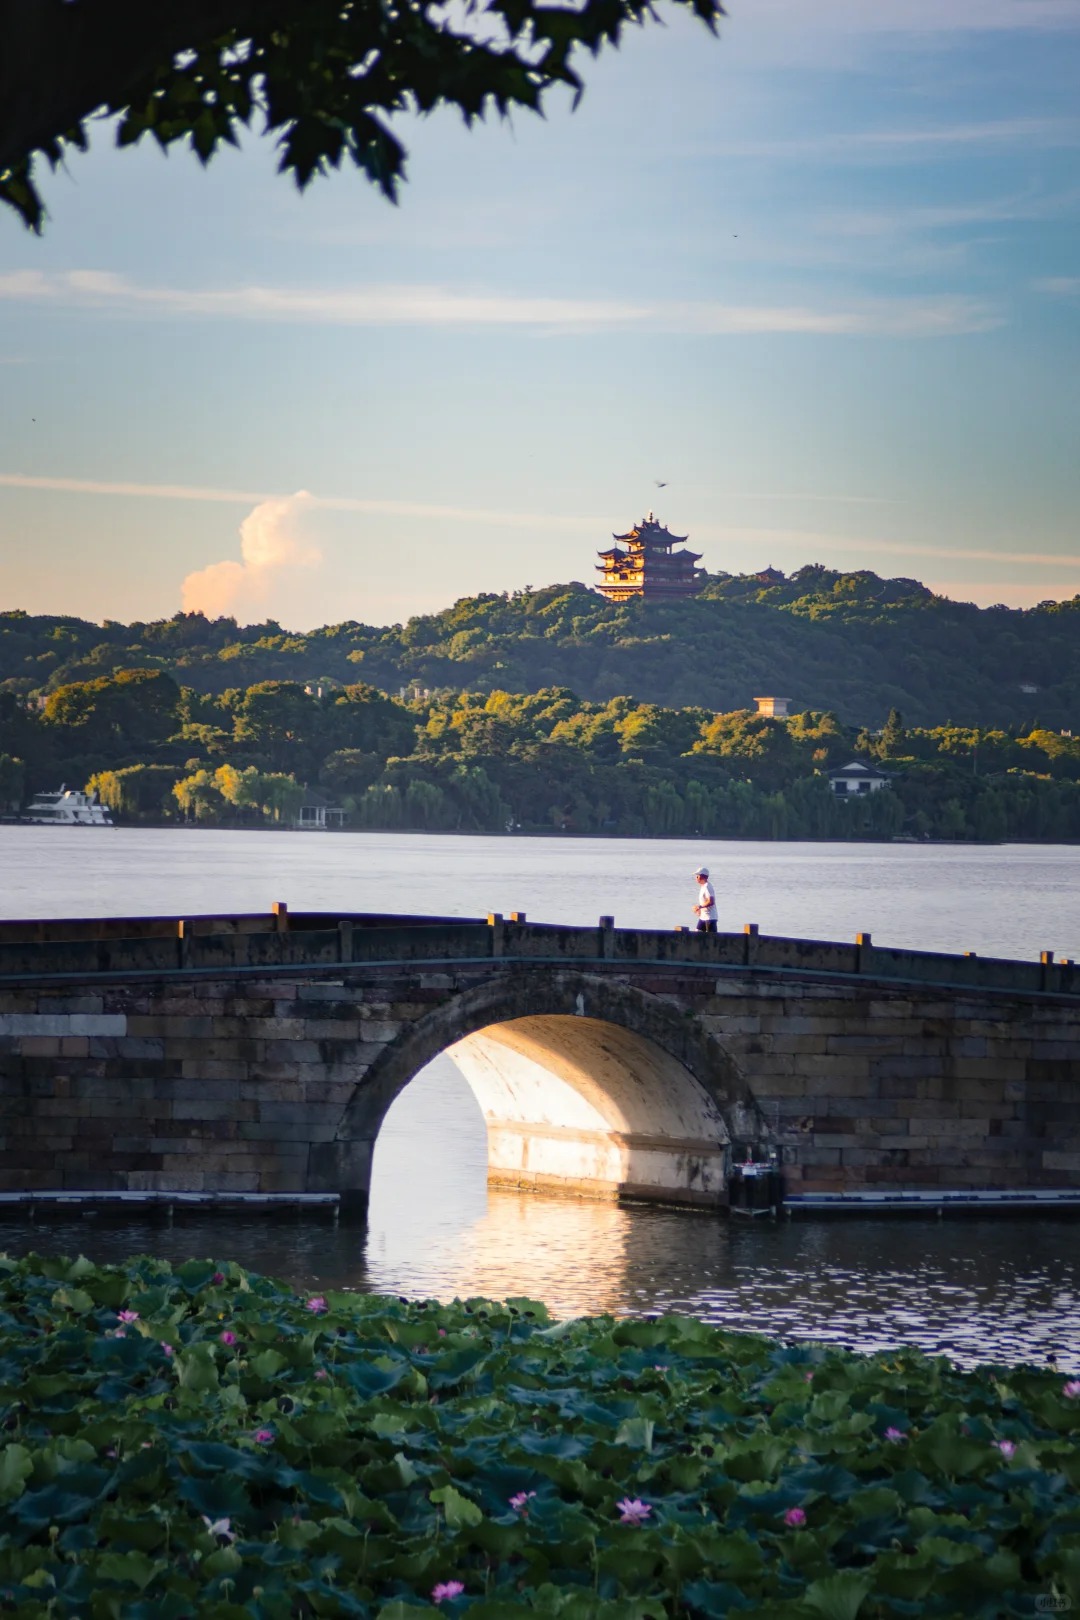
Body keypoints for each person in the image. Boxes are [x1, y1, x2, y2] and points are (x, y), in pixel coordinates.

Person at [693, 866, 717, 933]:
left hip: (710, 918)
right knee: (696, 935)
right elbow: (706, 902)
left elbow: (711, 901)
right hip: (703, 917)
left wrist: (699, 907)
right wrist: (699, 910)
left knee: (710, 939)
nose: (696, 878)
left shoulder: (707, 886)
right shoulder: (703, 887)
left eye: (697, 876)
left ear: (702, 876)